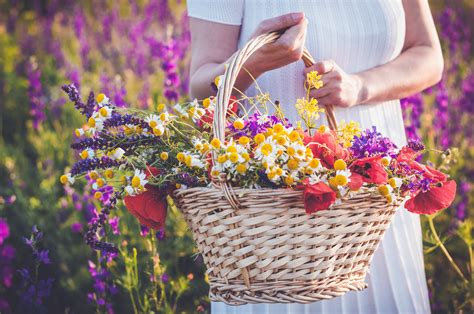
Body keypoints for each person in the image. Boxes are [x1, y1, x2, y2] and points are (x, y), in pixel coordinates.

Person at [187, 1, 443, 313]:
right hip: (273, 218)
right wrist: (252, 63)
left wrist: (359, 86)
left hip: (376, 199)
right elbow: (201, 84)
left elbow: (428, 54)